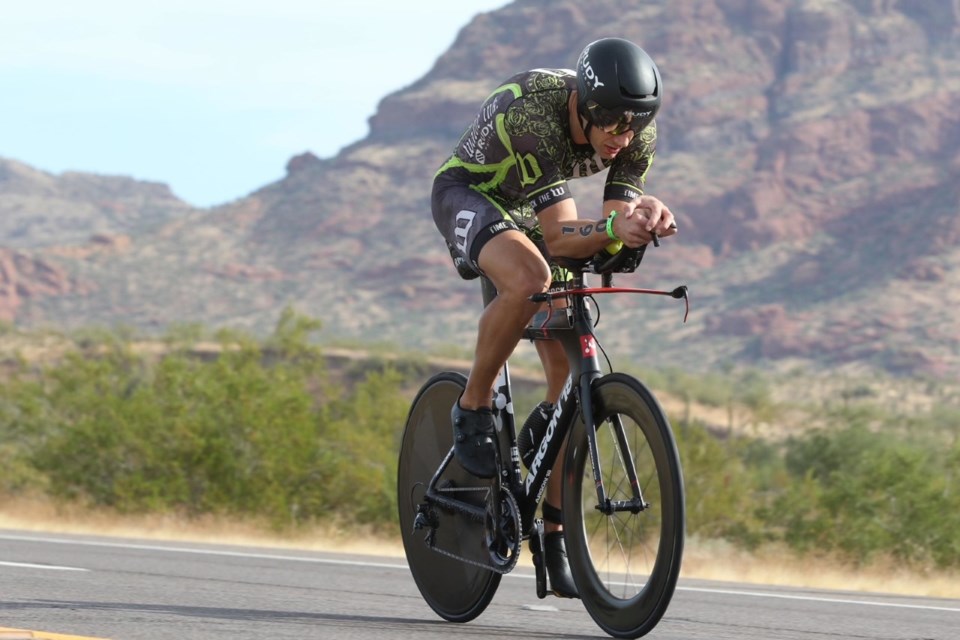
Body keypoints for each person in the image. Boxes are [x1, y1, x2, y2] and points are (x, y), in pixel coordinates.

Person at [431, 36, 677, 598]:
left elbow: (609, 226)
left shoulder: (636, 131)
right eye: (610, 123)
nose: (622, 136)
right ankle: (472, 406)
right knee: (529, 279)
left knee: (569, 382)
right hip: (473, 195)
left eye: (633, 124)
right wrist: (612, 231)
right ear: (583, 107)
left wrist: (644, 220)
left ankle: (554, 535)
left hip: (538, 211)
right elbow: (561, 237)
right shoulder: (536, 112)